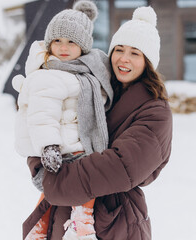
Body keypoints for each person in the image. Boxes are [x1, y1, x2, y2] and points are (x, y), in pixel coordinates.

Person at [23, 6, 173, 240]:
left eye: (135, 53)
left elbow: (121, 166)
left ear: (148, 62)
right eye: (119, 50)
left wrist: (56, 181)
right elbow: (46, 126)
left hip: (113, 221)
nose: (124, 58)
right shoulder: (95, 89)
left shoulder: (155, 111)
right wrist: (41, 158)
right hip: (63, 214)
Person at [12, 1, 113, 239]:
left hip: (73, 146)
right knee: (91, 177)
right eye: (57, 41)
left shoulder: (82, 74)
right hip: (62, 151)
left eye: (71, 42)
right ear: (49, 43)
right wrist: (49, 146)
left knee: (58, 191)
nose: (64, 48)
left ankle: (39, 225)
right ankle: (82, 223)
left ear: (84, 46)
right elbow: (42, 115)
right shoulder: (49, 75)